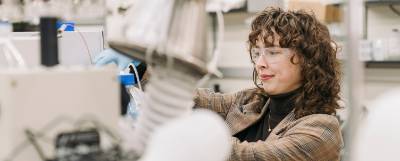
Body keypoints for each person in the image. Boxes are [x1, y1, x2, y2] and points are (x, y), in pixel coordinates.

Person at [194, 7, 343, 161]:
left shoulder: (322, 130)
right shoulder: (252, 100)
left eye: (273, 53)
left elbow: (251, 157)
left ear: (308, 60)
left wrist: (194, 137)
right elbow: (198, 99)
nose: (259, 63)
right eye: (257, 53)